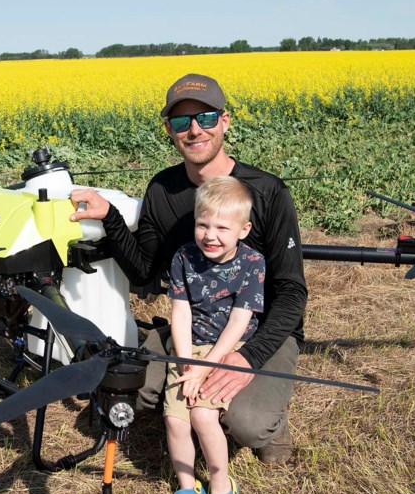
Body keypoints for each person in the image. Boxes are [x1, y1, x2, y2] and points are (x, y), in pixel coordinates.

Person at [70, 73, 307, 465]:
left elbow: (292, 292)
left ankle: (267, 422)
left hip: (257, 328)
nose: (195, 130)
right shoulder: (163, 190)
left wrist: (248, 358)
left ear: (225, 121)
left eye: (206, 118)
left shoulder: (266, 193)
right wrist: (110, 218)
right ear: (169, 130)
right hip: (191, 325)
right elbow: (144, 273)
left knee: (248, 422)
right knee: (124, 389)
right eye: (182, 122)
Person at [165, 175, 264, 494]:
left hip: (227, 348)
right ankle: (188, 486)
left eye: (222, 227)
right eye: (203, 224)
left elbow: (240, 319)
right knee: (176, 419)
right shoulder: (184, 258)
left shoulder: (253, 262)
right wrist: (185, 362)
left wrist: (205, 367)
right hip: (187, 348)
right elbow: (181, 312)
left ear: (243, 228)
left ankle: (222, 488)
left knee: (203, 418)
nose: (210, 235)